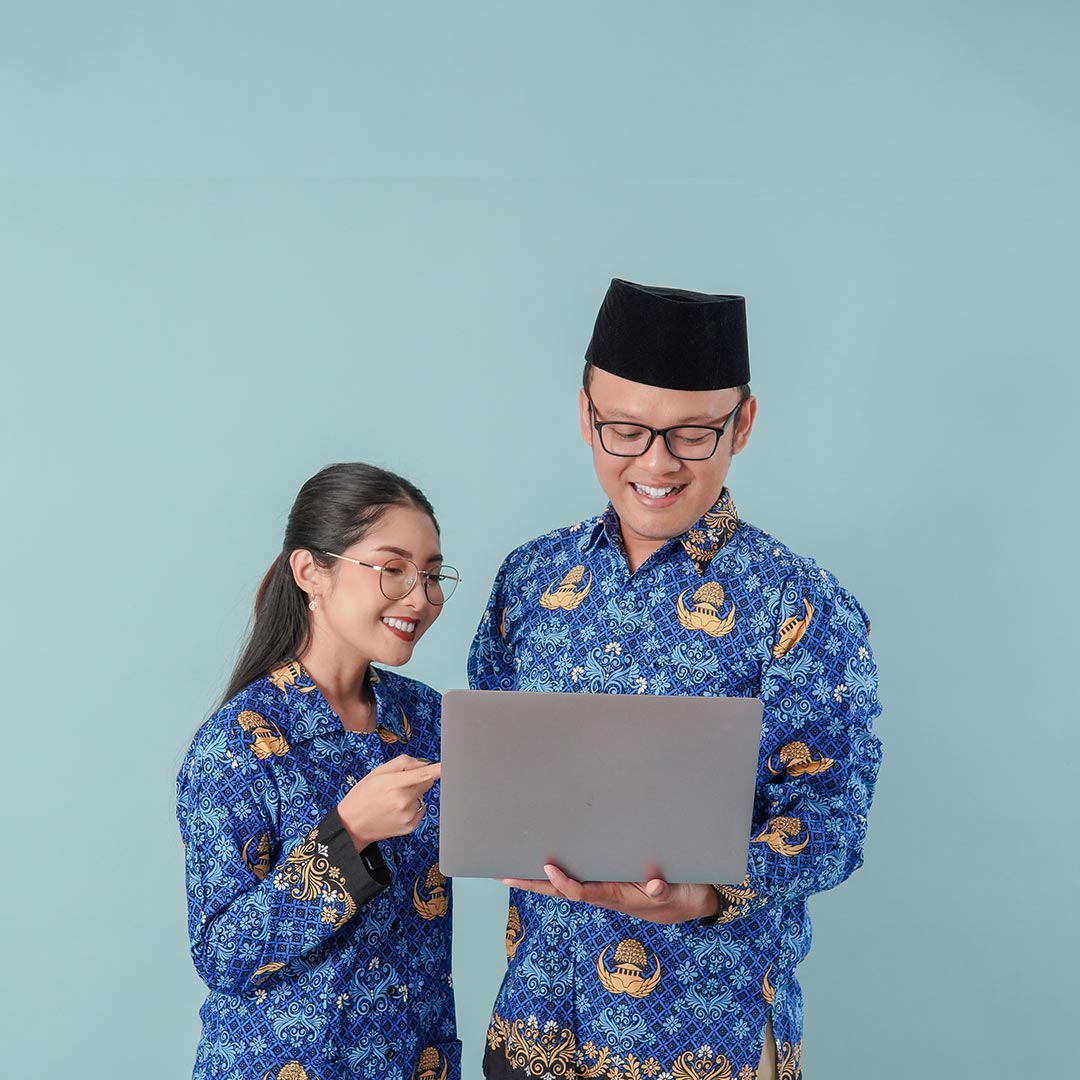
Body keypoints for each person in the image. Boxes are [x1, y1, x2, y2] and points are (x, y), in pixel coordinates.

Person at [469, 279, 882, 1080]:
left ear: (742, 425)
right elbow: (495, 768)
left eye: (692, 435)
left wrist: (705, 892)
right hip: (534, 1026)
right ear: (585, 415)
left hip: (704, 1038)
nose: (656, 463)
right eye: (625, 431)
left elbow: (834, 820)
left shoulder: (797, 602)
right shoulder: (529, 578)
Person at [177, 463, 462, 1080]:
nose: (419, 597)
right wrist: (347, 835)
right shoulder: (238, 742)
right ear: (311, 572)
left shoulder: (430, 718)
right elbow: (222, 956)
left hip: (418, 1059)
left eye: (431, 575)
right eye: (392, 569)